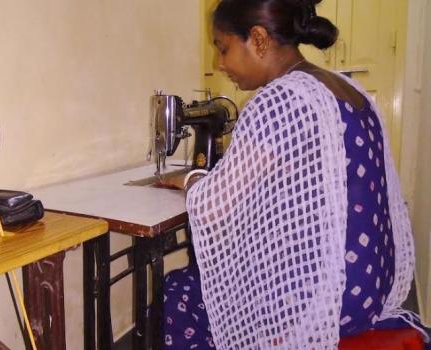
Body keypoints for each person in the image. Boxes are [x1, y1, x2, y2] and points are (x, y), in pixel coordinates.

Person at [161, 0, 427, 349]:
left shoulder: (281, 100)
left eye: (223, 49)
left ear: (257, 39)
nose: (220, 64)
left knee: (178, 289)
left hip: (327, 300)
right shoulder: (346, 89)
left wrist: (192, 179)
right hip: (371, 287)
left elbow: (214, 206)